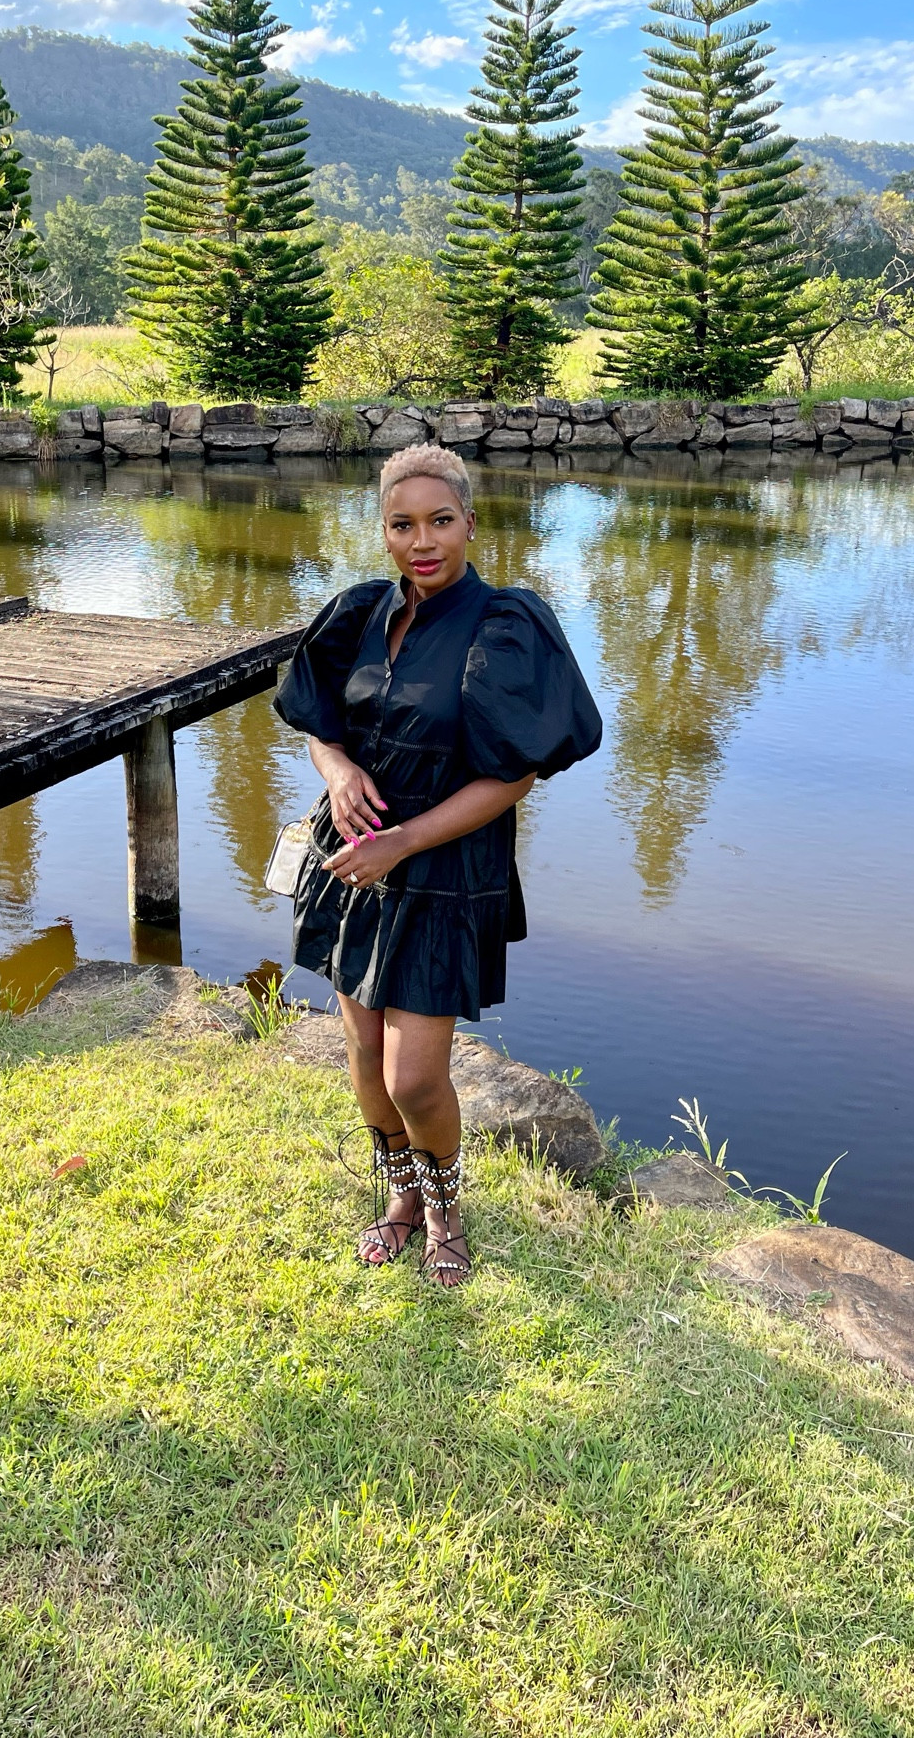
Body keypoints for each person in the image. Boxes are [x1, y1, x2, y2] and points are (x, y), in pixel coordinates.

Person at [272, 445, 602, 1286]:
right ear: (383, 531)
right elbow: (319, 722)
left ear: (470, 522)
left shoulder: (506, 624)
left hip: (444, 867)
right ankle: (401, 1198)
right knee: (361, 1049)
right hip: (353, 862)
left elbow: (515, 772)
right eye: (403, 524)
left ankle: (447, 1206)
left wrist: (407, 840)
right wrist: (339, 773)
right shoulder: (357, 612)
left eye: (440, 521)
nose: (423, 542)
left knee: (413, 1074)